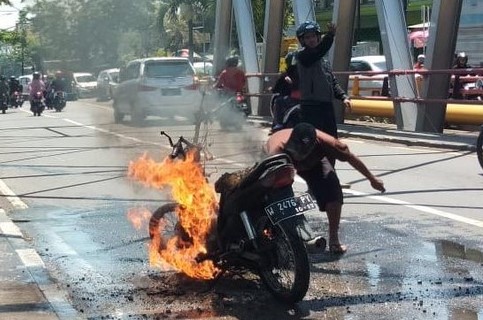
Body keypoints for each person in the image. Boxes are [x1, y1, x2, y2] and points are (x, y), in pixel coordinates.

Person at [264, 122, 386, 254]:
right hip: (282, 164)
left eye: (303, 152)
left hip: (314, 164)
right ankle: (273, 234)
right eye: (297, 150)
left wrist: (372, 179)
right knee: (277, 196)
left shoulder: (330, 143)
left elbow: (351, 158)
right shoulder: (277, 149)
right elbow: (268, 181)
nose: (299, 155)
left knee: (333, 190)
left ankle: (334, 240)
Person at [295, 21, 352, 142]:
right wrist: (330, 36)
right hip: (310, 108)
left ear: (318, 37)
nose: (311, 39)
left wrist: (343, 97)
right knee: (312, 144)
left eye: (314, 36)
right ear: (302, 41)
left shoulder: (324, 61)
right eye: (307, 37)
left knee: (332, 143)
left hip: (326, 107)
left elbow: (332, 82)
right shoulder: (303, 56)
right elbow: (317, 52)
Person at [270, 51, 301, 132]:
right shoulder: (305, 71)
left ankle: (278, 123)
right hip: (307, 98)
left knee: (279, 101)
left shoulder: (288, 74)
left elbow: (277, 88)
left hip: (295, 98)